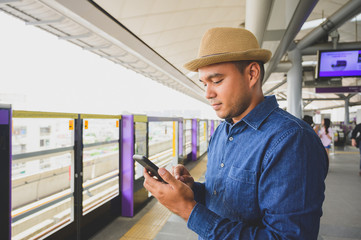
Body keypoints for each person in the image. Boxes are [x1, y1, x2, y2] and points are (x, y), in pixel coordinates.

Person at [143, 27, 328, 239]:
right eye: (204, 83)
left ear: (252, 74)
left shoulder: (292, 140)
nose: (208, 93)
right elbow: (226, 200)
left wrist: (188, 210)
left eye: (217, 81)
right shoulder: (221, 132)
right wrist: (192, 191)